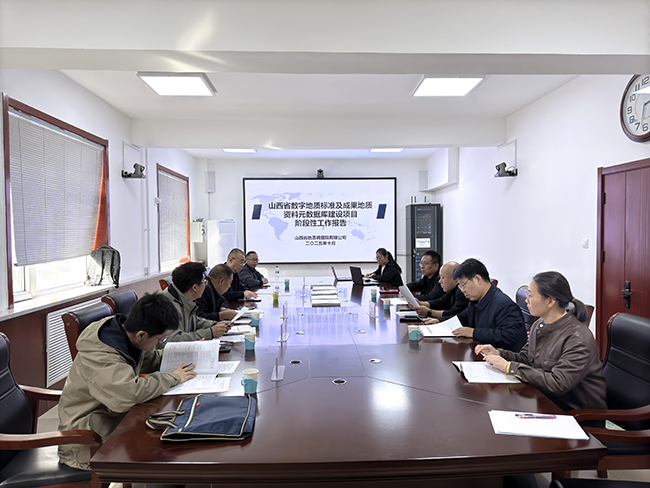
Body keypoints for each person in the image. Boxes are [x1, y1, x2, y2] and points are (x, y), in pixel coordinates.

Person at [58, 293, 197, 470]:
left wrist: (183, 355)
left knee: (174, 423)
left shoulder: (126, 333)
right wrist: (173, 377)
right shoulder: (101, 355)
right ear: (141, 335)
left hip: (111, 418)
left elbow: (147, 359)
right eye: (159, 340)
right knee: (166, 445)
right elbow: (129, 394)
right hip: (86, 439)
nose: (158, 343)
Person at [476, 271, 606, 411]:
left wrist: (509, 367)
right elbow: (527, 358)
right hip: (543, 399)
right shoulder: (540, 324)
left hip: (572, 412)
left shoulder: (577, 338)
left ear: (550, 301)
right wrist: (499, 354)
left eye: (530, 295)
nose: (526, 300)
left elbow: (558, 383)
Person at [438, 258, 527, 352]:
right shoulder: (476, 299)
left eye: (463, 285)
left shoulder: (504, 304)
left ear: (478, 279)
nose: (462, 290)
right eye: (460, 286)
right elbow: (464, 316)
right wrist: (439, 321)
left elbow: (510, 336)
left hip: (499, 357)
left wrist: (473, 333)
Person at [161, 261, 230, 342]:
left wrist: (215, 325)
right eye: (204, 282)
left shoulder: (185, 298)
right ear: (194, 288)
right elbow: (172, 339)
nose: (205, 285)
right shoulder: (167, 306)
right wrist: (210, 333)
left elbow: (194, 322)